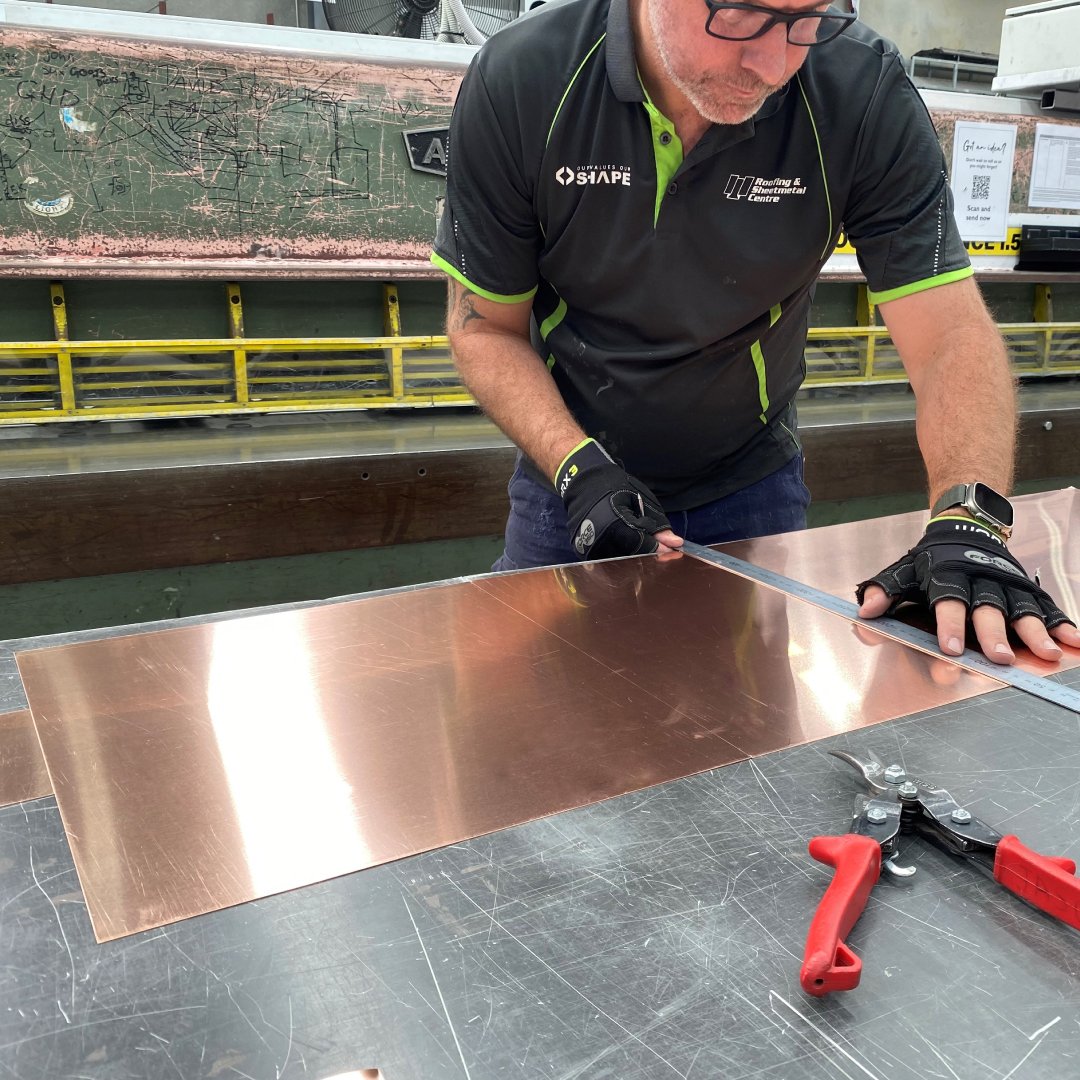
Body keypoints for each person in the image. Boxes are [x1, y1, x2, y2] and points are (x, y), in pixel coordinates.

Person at [431, 0, 1078, 665]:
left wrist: (969, 518)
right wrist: (578, 467)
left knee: (751, 743)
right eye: (741, 12)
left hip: (749, 490)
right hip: (567, 485)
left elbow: (950, 334)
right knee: (544, 727)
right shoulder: (524, 79)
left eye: (809, 18)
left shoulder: (859, 92)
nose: (776, 62)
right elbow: (485, 329)